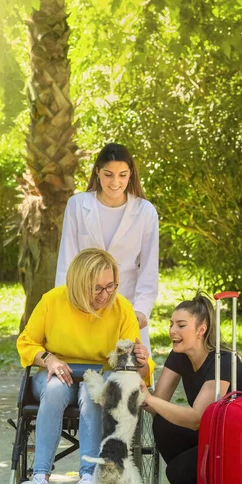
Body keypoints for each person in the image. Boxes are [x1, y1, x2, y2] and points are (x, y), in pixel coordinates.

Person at [17, 248, 155, 484]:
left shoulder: (122, 308)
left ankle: (89, 476)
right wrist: (48, 359)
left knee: (94, 392)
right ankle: (40, 477)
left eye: (111, 286)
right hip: (56, 372)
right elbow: (26, 342)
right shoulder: (52, 301)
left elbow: (136, 366)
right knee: (55, 389)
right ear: (79, 285)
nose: (106, 294)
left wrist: (141, 361)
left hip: (100, 375)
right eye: (97, 288)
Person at [140, 291, 242, 484]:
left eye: (181, 325)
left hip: (236, 443)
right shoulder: (179, 356)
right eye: (171, 324)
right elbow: (155, 405)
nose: (172, 330)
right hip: (213, 433)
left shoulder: (222, 361)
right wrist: (141, 370)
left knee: (176, 473)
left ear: (201, 329)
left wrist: (151, 400)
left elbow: (197, 418)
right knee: (163, 420)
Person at [55, 143, 159, 354]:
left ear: (131, 174)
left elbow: (149, 267)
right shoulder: (77, 205)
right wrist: (64, 305)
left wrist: (141, 311)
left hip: (127, 306)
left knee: (129, 378)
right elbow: (67, 261)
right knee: (84, 373)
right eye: (108, 174)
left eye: (122, 175)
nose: (115, 182)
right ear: (97, 172)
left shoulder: (145, 211)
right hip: (84, 303)